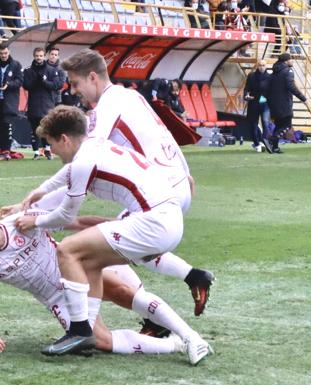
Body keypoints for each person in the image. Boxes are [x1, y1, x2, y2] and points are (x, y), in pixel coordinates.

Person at [13, 106, 213, 359]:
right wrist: (36, 195)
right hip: (165, 218)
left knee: (67, 250)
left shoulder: (84, 161)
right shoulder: (94, 145)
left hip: (153, 222)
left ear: (64, 139)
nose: (51, 150)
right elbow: (67, 174)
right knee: (91, 261)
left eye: (51, 143)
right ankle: (189, 337)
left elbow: (66, 215)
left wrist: (34, 221)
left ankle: (80, 330)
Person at [56, 49, 213, 317]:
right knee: (135, 249)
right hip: (177, 182)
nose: (73, 90)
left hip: (161, 189)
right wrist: (185, 175)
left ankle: (148, 317)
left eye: (75, 83)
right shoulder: (131, 95)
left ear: (92, 77)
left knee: (97, 251)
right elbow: (161, 137)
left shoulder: (108, 104)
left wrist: (48, 194)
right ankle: (193, 278)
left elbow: (91, 152)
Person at [0, 201, 210, 364]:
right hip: (55, 298)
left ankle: (191, 337)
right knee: (101, 342)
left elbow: (76, 223)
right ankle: (174, 345)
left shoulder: (24, 221)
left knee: (124, 291)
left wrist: (123, 226)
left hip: (75, 269)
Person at [22, 47, 63, 160]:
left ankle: (48, 150)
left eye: (41, 56)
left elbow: (56, 85)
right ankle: (36, 152)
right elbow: (26, 85)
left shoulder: (51, 70)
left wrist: (44, 82)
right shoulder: (28, 70)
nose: (39, 58)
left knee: (47, 128)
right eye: (37, 56)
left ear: (44, 56)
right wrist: (36, 81)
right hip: (33, 104)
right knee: (35, 129)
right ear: (34, 56)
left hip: (47, 104)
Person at [265, 52, 306, 154]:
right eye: (291, 59)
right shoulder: (288, 71)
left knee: (279, 126)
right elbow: (291, 87)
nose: (292, 61)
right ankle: (271, 140)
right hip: (284, 104)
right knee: (287, 125)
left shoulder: (273, 72)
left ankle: (274, 147)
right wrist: (303, 98)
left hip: (273, 104)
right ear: (286, 61)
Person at [244, 60, 271, 152]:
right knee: (253, 124)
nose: (261, 67)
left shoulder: (269, 77)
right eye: (260, 65)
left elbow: (272, 91)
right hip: (253, 102)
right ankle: (256, 143)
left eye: (263, 65)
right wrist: (246, 96)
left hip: (265, 103)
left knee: (265, 123)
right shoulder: (251, 76)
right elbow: (247, 88)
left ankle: (264, 140)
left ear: (266, 66)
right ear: (257, 66)